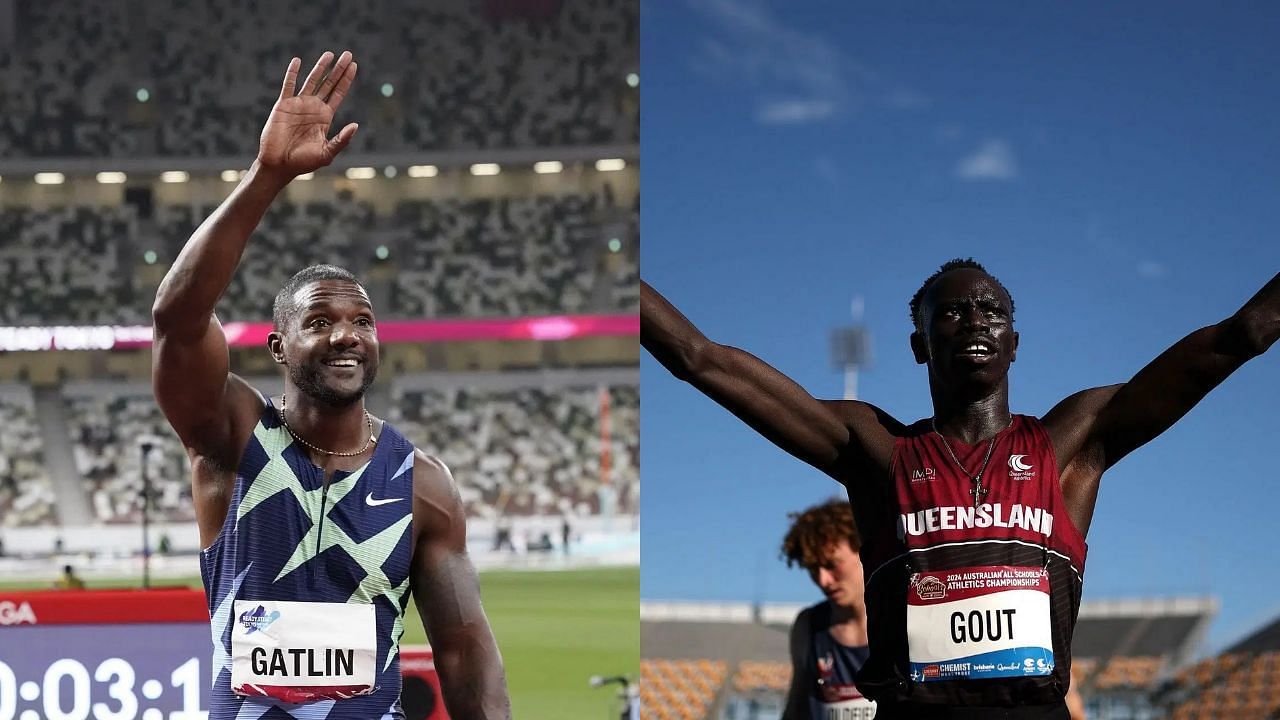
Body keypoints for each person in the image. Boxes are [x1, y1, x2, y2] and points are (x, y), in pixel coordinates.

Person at [642, 260, 1278, 718]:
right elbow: (700, 359)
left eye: (992, 309)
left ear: (1014, 343)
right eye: (951, 310)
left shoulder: (1072, 442)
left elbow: (1240, 336)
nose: (974, 318)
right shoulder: (875, 451)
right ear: (920, 345)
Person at [152, 51, 509, 720]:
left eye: (362, 321)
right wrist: (267, 176)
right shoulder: (231, 437)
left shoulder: (423, 483)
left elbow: (464, 650)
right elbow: (176, 318)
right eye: (320, 320)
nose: (347, 334)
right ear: (280, 347)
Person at [780, 499, 876, 720]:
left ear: (863, 551)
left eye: (832, 564)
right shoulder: (809, 626)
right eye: (814, 569)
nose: (823, 580)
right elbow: (796, 708)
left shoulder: (905, 617)